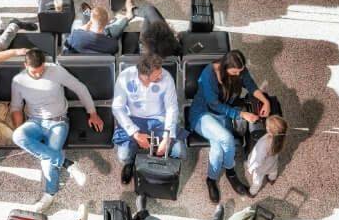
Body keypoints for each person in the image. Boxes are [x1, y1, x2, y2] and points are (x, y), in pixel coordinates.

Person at [10, 49, 103, 211]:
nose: (39, 75)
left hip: (58, 121)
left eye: (41, 71)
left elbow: (80, 88)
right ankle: (67, 163)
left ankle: (49, 195)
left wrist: (93, 113)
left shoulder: (56, 70)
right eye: (34, 72)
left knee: (47, 160)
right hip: (34, 122)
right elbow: (16, 107)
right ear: (25, 65)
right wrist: (24, 132)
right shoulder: (18, 81)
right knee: (17, 135)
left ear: (44, 64)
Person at [189, 50, 271, 202]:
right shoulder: (209, 74)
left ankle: (211, 179)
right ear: (225, 67)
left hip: (223, 115)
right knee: (227, 139)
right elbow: (214, 104)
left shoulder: (239, 70)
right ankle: (231, 172)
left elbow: (251, 86)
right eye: (234, 72)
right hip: (203, 114)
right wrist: (241, 114)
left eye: (240, 71)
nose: (238, 75)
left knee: (218, 150)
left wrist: (265, 101)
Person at [112, 53, 185, 186]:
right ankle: (130, 163)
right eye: (157, 74)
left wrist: (167, 137)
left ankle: (163, 167)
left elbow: (171, 108)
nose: (161, 75)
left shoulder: (167, 78)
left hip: (159, 119)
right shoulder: (125, 77)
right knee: (123, 155)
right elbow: (117, 108)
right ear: (145, 75)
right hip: (133, 118)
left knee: (179, 152)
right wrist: (135, 133)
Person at [64, 0, 134, 55]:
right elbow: (114, 52)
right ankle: (127, 17)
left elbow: (66, 44)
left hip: (78, 67)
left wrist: (81, 29)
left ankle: (88, 12)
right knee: (114, 31)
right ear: (107, 23)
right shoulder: (113, 44)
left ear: (90, 22)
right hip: (102, 69)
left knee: (84, 19)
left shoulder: (76, 36)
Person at [246, 115, 288, 195]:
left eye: (267, 126)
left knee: (257, 181)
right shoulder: (281, 139)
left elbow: (257, 160)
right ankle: (272, 179)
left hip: (261, 168)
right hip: (272, 163)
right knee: (273, 171)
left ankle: (252, 192)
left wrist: (250, 168)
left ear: (269, 130)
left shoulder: (263, 145)